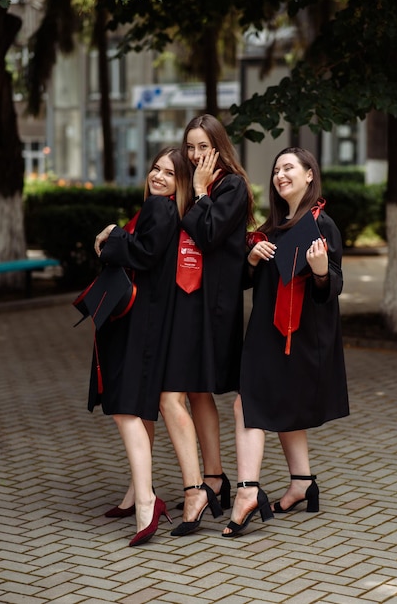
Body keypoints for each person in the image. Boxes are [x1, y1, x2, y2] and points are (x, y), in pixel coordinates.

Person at [222, 147, 349, 537]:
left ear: (310, 175)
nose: (280, 175)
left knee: (250, 404)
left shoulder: (320, 225)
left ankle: (247, 491)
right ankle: (302, 482)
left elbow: (332, 286)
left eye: (289, 168)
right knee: (278, 406)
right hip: (265, 333)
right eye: (276, 169)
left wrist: (321, 271)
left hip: (299, 335)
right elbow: (245, 281)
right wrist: (252, 259)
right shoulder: (273, 229)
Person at [88, 147, 192, 546]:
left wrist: (111, 238)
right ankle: (137, 493)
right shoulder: (166, 211)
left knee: (126, 408)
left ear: (180, 182)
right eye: (155, 168)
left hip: (139, 323)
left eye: (169, 172)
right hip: (149, 320)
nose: (159, 176)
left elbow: (144, 255)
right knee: (137, 408)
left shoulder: (160, 209)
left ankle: (148, 501)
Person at [159, 114, 255, 536]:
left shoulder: (231, 186)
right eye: (190, 146)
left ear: (218, 146)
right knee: (195, 388)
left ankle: (205, 484)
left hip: (213, 305)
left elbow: (209, 233)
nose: (196, 154)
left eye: (203, 146)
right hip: (186, 300)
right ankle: (214, 479)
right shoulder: (187, 179)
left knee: (188, 388)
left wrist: (199, 193)